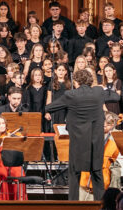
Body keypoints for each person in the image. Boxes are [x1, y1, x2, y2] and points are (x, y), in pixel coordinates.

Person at [44, 68, 117, 200]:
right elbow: (115, 96)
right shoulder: (98, 92)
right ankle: (100, 205)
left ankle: (73, 206)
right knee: (97, 172)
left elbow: (49, 108)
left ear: (76, 81)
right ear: (90, 81)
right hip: (96, 141)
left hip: (78, 142)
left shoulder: (70, 95)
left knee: (74, 173)